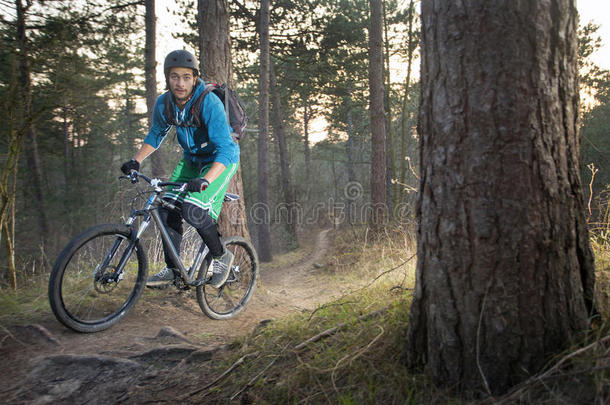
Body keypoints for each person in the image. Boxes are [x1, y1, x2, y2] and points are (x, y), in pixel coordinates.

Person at [120, 49, 239, 289]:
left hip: (219, 161)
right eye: (175, 77)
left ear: (195, 78)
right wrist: (136, 160)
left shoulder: (208, 103)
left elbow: (226, 149)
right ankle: (174, 270)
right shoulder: (165, 103)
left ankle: (221, 256)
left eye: (186, 77)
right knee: (166, 209)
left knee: (192, 209)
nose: (180, 83)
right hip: (191, 160)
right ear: (167, 78)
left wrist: (205, 179)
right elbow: (155, 134)